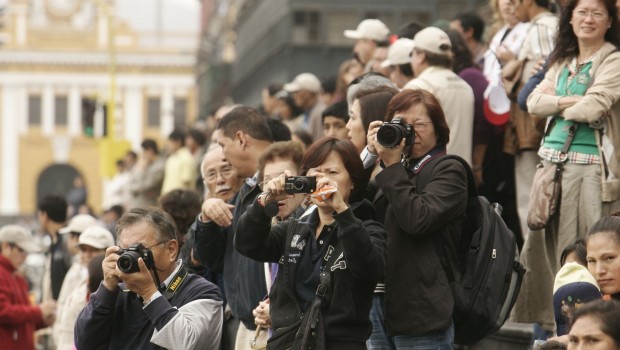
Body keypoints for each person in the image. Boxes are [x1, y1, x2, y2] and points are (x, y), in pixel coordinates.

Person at [515, 0, 620, 331]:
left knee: (585, 256)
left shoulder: (614, 60)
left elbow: (593, 108)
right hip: (550, 170)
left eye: (597, 13)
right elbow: (532, 102)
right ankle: (549, 329)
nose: (588, 19)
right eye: (582, 12)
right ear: (570, 19)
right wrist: (569, 100)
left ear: (609, 21)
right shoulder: (562, 61)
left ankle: (587, 331)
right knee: (546, 259)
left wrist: (556, 104)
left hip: (590, 172)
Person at [235, 137, 386, 349]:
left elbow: (369, 266)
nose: (322, 179)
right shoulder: (293, 229)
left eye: (332, 173)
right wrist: (264, 200)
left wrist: (342, 211)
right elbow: (246, 244)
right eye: (315, 173)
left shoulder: (368, 229)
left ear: (353, 182)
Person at [366, 89, 469, 348]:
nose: (411, 132)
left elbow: (417, 220)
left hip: (422, 310)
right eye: (402, 125)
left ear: (439, 129)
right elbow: (356, 208)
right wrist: (369, 155)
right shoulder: (397, 169)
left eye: (420, 124)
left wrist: (391, 167)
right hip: (379, 303)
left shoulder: (449, 169)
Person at [74, 207, 223, 350]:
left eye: (139, 250)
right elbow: (84, 343)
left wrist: (149, 293)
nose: (131, 258)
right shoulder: (118, 294)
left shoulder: (202, 292)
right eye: (125, 251)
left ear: (171, 250)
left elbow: (187, 343)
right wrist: (106, 288)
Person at [192, 106, 273, 349]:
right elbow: (212, 259)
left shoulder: (278, 181)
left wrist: (279, 308)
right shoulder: (245, 191)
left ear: (240, 139)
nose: (223, 156)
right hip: (246, 326)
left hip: (272, 324)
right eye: (211, 174)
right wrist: (206, 220)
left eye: (223, 145)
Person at [403, 26, 475, 165]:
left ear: (421, 56)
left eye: (413, 54)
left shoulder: (419, 86)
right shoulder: (464, 85)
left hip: (433, 171)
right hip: (463, 170)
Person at [54, 226, 115, 350]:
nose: (87, 255)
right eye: (83, 249)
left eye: (93, 250)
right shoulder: (81, 279)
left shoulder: (108, 287)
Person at [0, 225, 56, 350]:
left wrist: (43, 320)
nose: (24, 256)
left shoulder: (17, 277)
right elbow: (3, 312)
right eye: (21, 250)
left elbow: (22, 317)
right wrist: (38, 311)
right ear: (5, 247)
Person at [283, 73, 326, 141]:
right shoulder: (310, 110)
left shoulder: (319, 112)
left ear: (307, 93)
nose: (294, 96)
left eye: (296, 92)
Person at [128, 139, 165, 208]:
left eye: (144, 151)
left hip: (149, 204)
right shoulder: (146, 164)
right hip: (140, 203)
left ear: (150, 151)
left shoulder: (159, 167)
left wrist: (142, 170)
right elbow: (131, 183)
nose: (143, 155)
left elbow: (146, 186)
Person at [161, 128, 198, 195]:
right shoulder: (171, 158)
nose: (168, 146)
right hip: (168, 197)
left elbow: (187, 182)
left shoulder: (186, 158)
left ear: (177, 142)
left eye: (170, 142)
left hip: (180, 199)